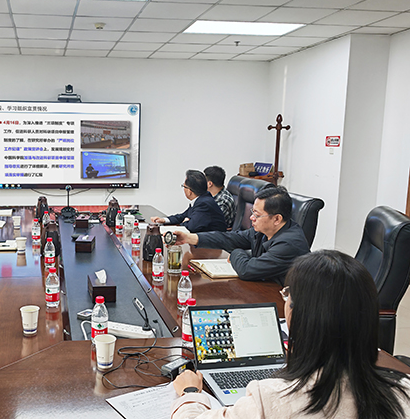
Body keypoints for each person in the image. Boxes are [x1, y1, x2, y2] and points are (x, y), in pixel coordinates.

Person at [171, 250, 410, 419]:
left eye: (287, 295)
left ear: (298, 315)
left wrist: (190, 393)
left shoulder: (272, 399)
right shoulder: (404, 392)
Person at [174, 184, 309, 283]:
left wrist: (236, 252)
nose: (251, 218)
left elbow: (247, 270)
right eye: (252, 212)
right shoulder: (264, 230)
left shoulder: (289, 243)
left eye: (257, 215)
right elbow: (230, 238)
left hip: (284, 302)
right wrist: (189, 238)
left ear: (277, 219)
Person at [151, 170, 226, 233]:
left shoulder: (204, 204)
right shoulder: (201, 199)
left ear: (190, 191)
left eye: (184, 186)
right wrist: (164, 220)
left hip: (213, 243)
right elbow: (183, 216)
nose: (183, 189)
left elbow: (191, 227)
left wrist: (184, 222)